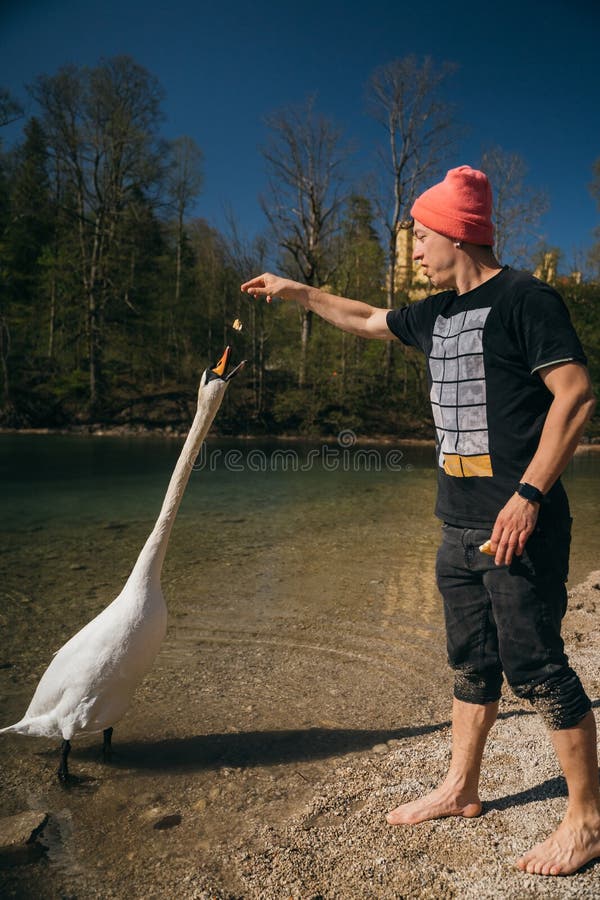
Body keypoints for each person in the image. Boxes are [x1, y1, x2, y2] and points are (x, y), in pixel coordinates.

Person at [241, 164, 598, 877]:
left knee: (538, 667)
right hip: (456, 525)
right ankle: (461, 788)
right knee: (471, 665)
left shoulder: (528, 299)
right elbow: (367, 318)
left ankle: (587, 820)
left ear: (456, 234)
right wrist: (301, 292)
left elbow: (577, 395)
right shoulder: (431, 316)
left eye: (419, 241)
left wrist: (528, 496)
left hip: (517, 524)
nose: (413, 255)